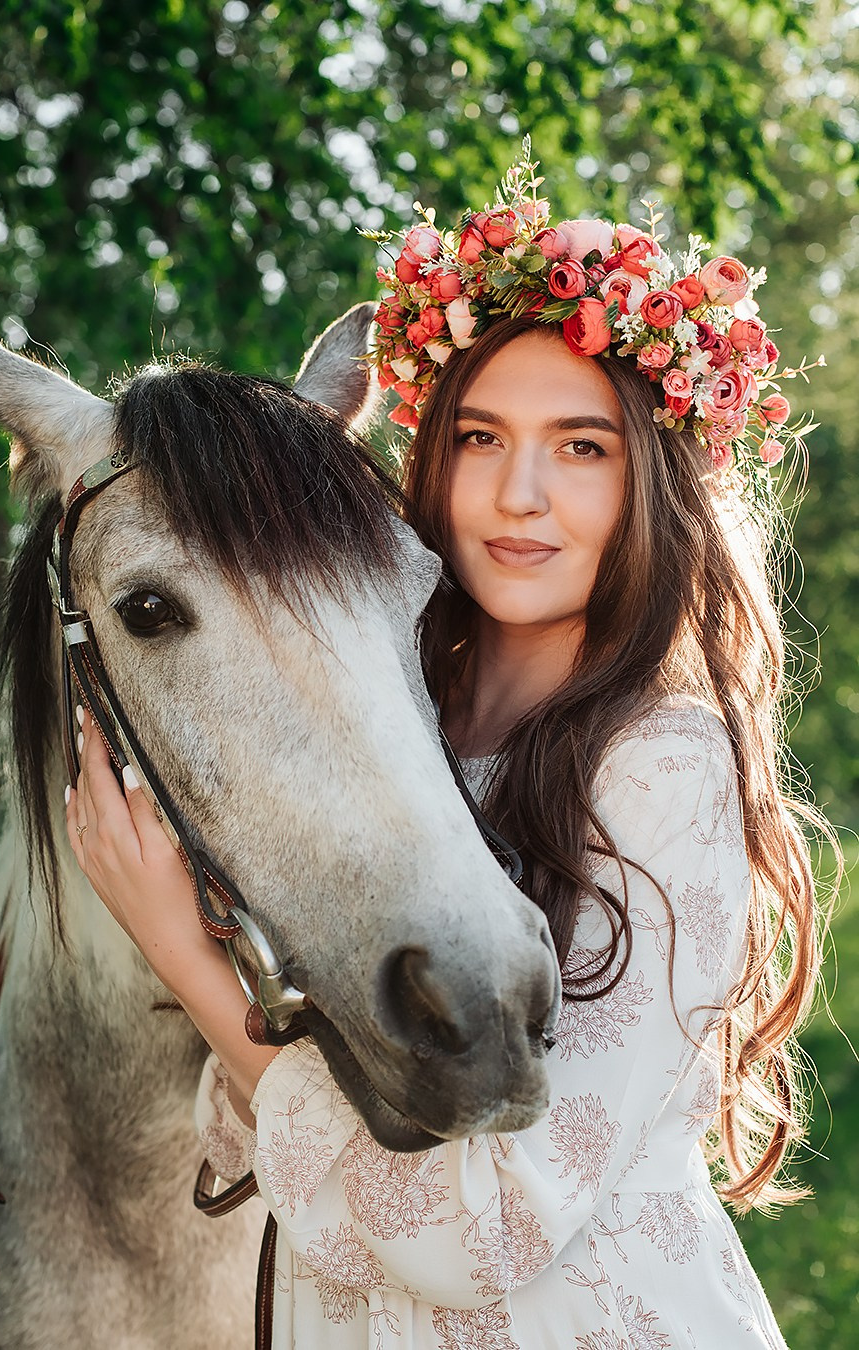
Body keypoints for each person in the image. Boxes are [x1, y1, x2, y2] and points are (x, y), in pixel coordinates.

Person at [64, 149, 833, 1348]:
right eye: (481, 437)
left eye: (582, 447)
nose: (519, 494)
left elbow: (494, 1228)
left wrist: (180, 951)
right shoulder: (384, 740)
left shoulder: (666, 765)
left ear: (656, 490)